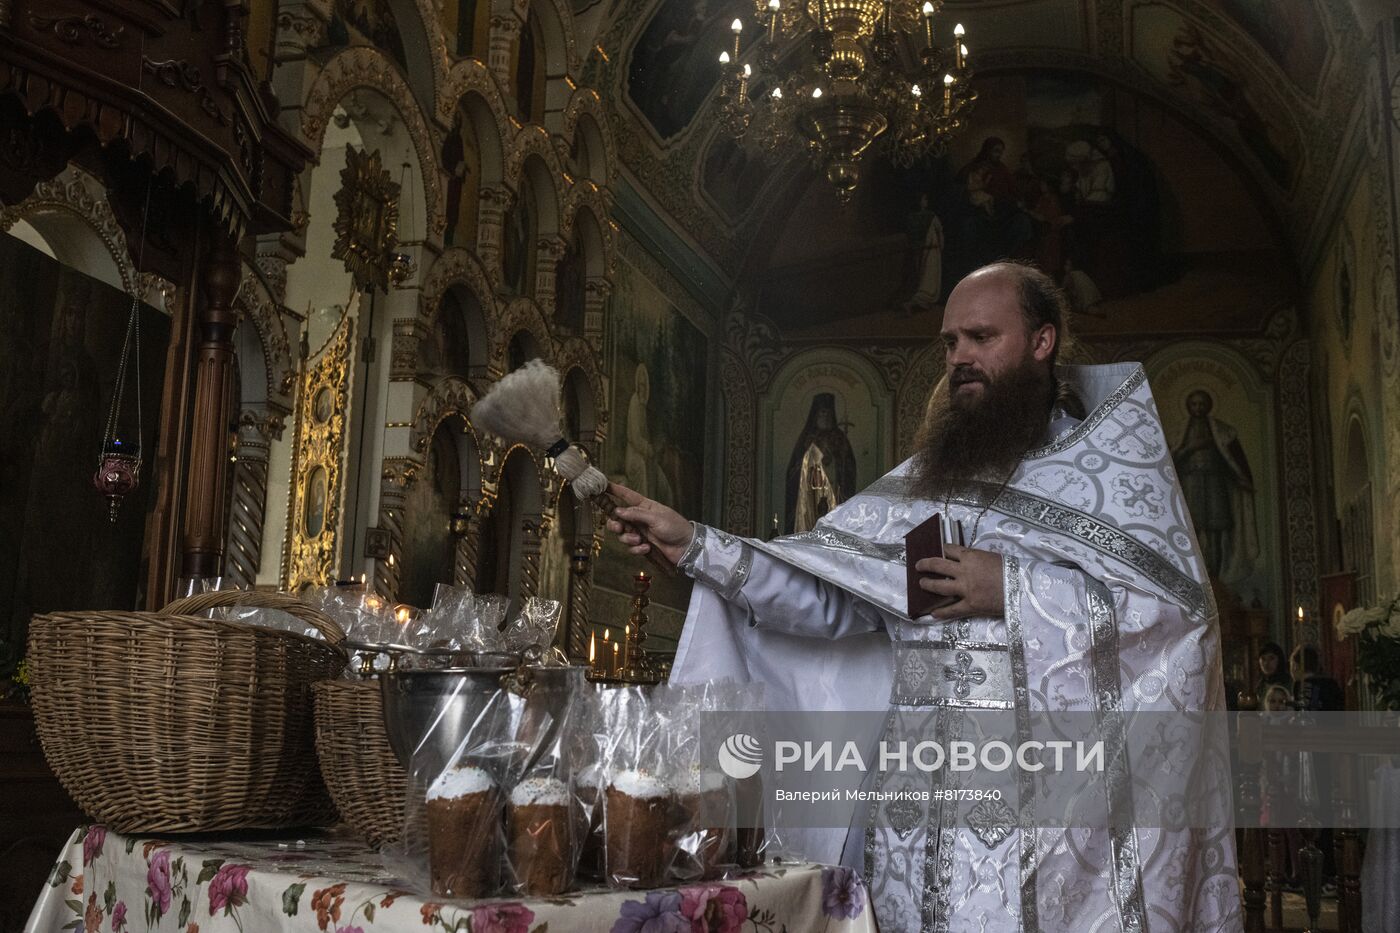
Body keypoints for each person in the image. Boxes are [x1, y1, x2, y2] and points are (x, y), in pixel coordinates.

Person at [605, 262, 1242, 930]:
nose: (958, 358)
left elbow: (1179, 621)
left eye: (980, 337)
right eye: (949, 343)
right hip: (909, 821)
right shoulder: (923, 484)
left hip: (1051, 829)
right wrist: (697, 546)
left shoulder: (1111, 478)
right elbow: (829, 595)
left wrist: (1013, 586)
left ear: (1042, 342)